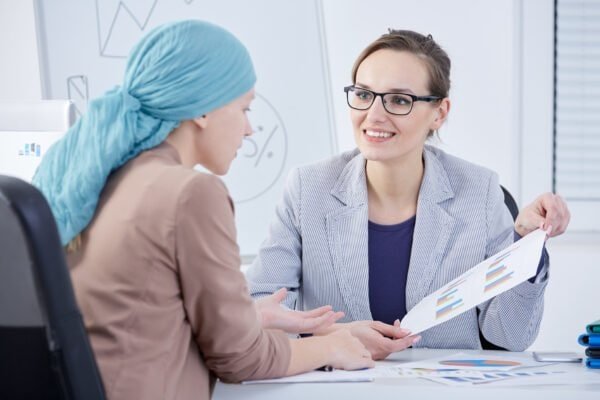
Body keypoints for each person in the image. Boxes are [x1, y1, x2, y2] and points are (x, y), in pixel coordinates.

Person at [32, 20, 373, 400]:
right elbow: (241, 358)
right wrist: (330, 346)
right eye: (244, 109)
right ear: (204, 111)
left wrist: (250, 316)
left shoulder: (101, 182)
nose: (249, 130)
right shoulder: (191, 193)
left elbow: (139, 313)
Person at [246, 29, 570, 360]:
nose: (373, 115)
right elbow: (260, 310)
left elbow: (511, 336)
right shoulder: (308, 189)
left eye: (399, 100)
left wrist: (526, 249)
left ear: (439, 113)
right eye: (363, 95)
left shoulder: (480, 193)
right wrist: (331, 335)